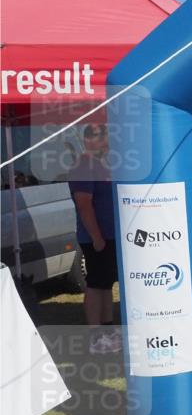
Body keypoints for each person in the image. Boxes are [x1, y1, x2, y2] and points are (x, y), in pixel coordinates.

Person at [69, 124, 120, 354]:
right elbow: (84, 204)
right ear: (89, 140)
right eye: (103, 138)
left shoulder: (102, 165)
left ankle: (108, 330)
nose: (107, 143)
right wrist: (97, 237)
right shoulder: (83, 166)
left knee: (106, 284)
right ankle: (96, 337)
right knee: (95, 284)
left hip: (109, 235)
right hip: (96, 237)